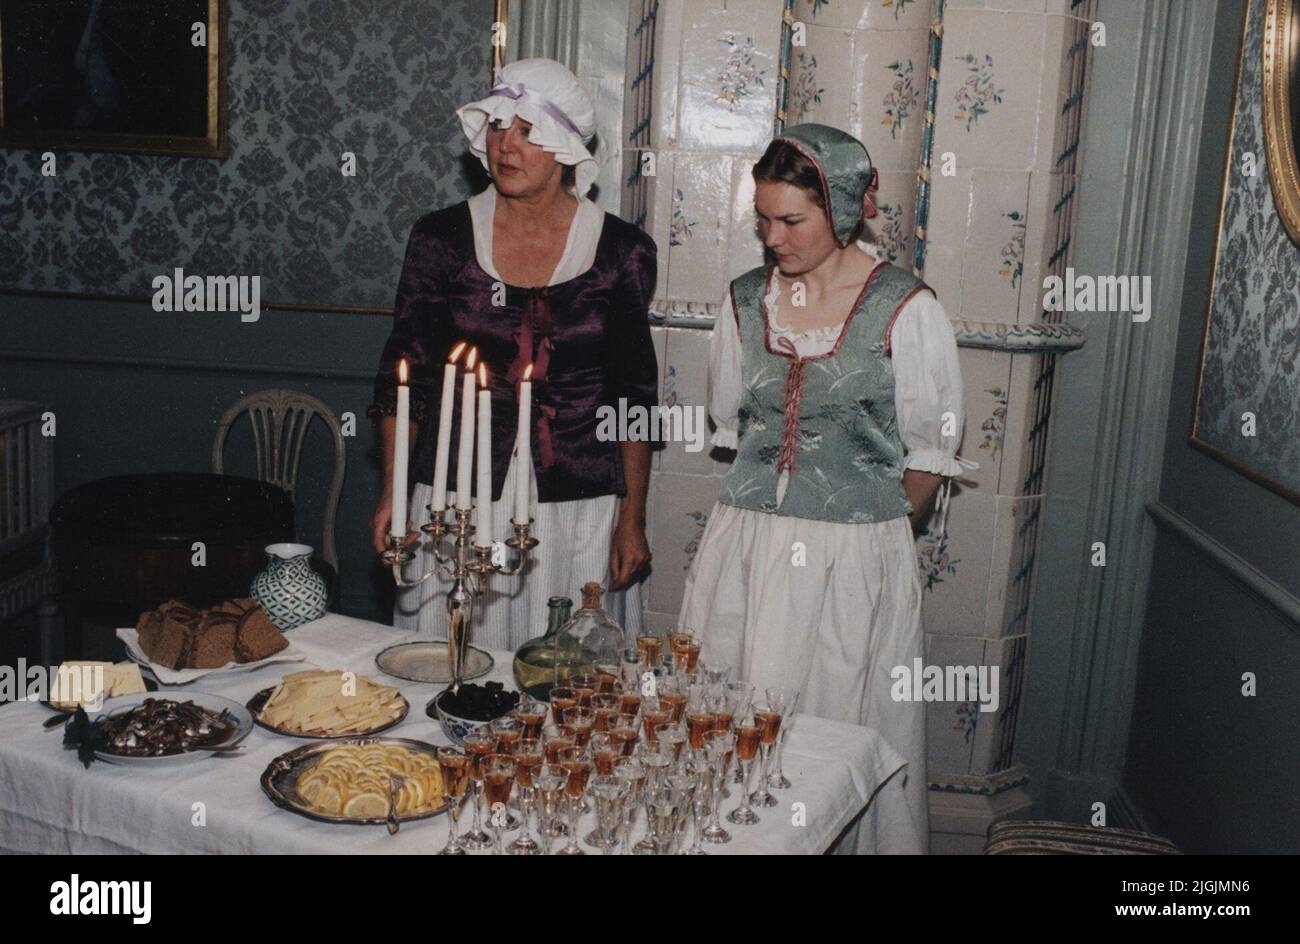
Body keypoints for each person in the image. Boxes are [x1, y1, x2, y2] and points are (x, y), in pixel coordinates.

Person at [678, 123, 978, 854]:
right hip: (746, 548)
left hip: (854, 557)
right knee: (732, 720)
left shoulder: (905, 306)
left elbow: (929, 453)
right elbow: (734, 420)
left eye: (791, 221)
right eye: (762, 221)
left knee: (837, 730)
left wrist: (872, 536)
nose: (773, 238)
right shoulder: (744, 301)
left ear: (842, 212)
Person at [367, 59, 661, 650]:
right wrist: (394, 493)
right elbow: (406, 376)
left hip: (578, 503)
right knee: (445, 660)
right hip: (456, 497)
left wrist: (632, 518)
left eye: (528, 131)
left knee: (566, 674)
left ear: (564, 145)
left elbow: (634, 397)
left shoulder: (622, 251)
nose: (506, 145)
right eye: (499, 126)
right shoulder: (441, 239)